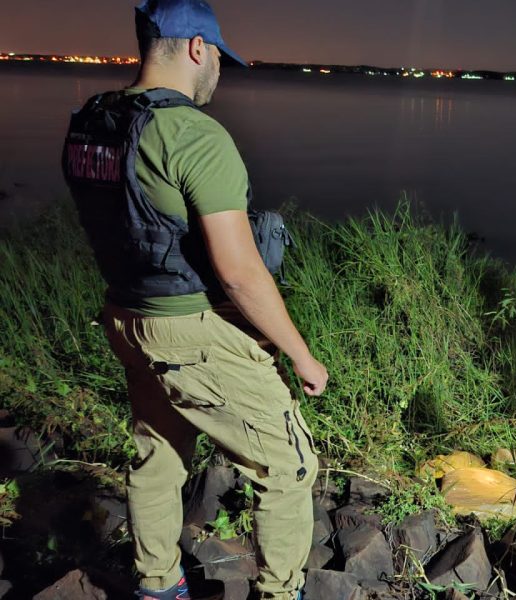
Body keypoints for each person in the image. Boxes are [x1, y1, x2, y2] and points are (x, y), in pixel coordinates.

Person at [61, 1, 328, 598]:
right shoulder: (192, 134)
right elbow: (240, 274)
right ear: (197, 48)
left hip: (127, 317)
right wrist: (301, 356)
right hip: (189, 330)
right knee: (288, 465)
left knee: (158, 453)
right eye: (219, 59)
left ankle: (159, 584)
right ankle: (280, 592)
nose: (218, 73)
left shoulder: (95, 122)